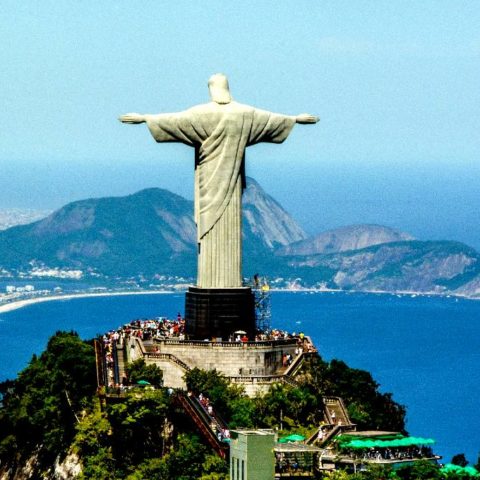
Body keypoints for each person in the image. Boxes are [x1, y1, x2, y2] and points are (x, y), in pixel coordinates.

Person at [120, 74, 318, 288]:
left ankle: (211, 283)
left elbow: (173, 121)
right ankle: (227, 283)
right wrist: (295, 119)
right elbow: (270, 120)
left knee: (208, 231)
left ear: (211, 89)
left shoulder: (200, 114)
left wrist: (144, 118)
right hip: (231, 185)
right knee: (226, 230)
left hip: (209, 184)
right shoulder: (244, 114)